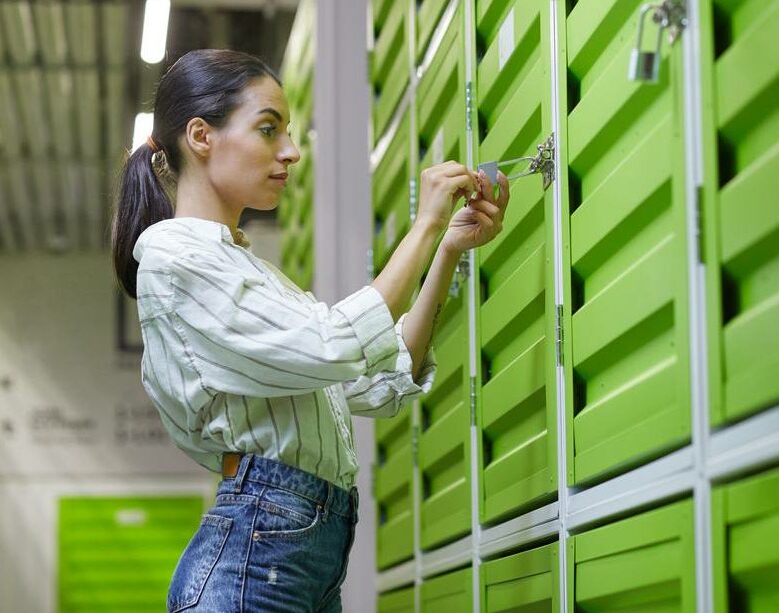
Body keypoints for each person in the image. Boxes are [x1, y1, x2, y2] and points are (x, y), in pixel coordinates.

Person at [110, 49, 508, 612]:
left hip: (298, 549)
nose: (291, 152)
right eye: (269, 130)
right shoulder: (176, 258)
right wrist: (425, 224)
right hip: (259, 550)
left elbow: (375, 383)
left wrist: (444, 251)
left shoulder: (253, 273)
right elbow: (333, 344)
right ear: (202, 136)